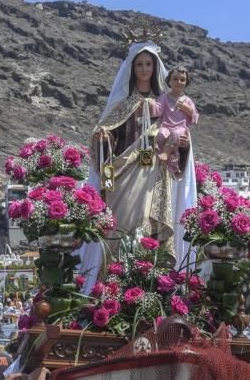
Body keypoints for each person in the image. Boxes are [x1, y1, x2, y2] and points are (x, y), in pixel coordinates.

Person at [79, 40, 197, 293]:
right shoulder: (122, 105)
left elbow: (180, 135)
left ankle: (148, 285)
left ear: (156, 68)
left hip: (154, 174)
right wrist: (104, 141)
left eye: (149, 64)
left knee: (147, 225)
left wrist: (183, 145)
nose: (144, 69)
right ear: (132, 68)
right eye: (139, 64)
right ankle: (113, 285)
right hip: (123, 177)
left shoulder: (166, 103)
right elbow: (106, 142)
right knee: (119, 227)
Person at [153, 67, 199, 176]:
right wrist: (149, 105)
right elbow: (157, 110)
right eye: (175, 79)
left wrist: (188, 110)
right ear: (169, 81)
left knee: (176, 134)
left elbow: (195, 117)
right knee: (160, 134)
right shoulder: (164, 98)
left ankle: (167, 154)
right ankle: (159, 159)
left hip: (181, 128)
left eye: (182, 80)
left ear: (186, 82)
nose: (178, 82)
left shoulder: (187, 100)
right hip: (166, 126)